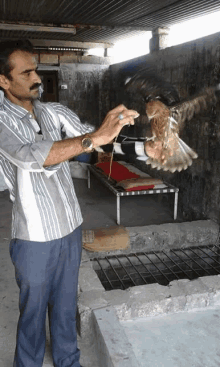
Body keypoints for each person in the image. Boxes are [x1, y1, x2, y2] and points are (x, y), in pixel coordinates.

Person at [0, 39, 164, 367]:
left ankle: (68, 360)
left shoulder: (54, 112)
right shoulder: (3, 121)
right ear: (3, 81)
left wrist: (145, 149)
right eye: (26, 72)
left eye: (36, 69)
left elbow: (95, 145)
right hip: (34, 237)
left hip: (70, 227)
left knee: (64, 306)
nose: (36, 78)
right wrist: (94, 138)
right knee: (32, 313)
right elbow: (33, 157)